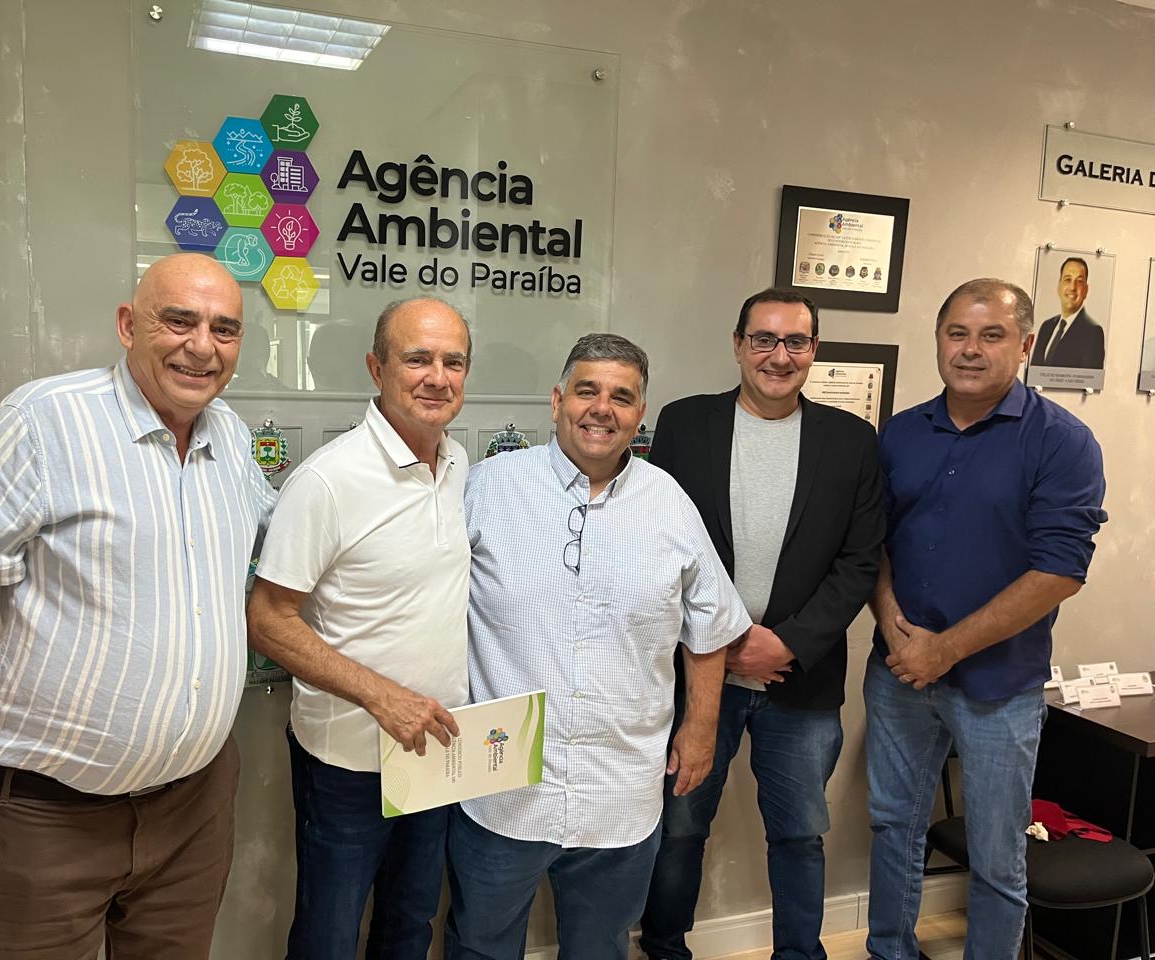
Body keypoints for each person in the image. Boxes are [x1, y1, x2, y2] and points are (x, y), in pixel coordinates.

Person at [0, 252, 277, 959]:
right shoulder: (42, 422)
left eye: (224, 329)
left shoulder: (229, 439)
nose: (202, 346)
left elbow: (282, 547)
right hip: (41, 821)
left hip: (191, 813)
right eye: (179, 321)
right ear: (128, 325)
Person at [444, 333, 752, 960]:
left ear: (640, 414)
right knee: (480, 945)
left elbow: (711, 622)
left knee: (602, 947)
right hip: (501, 785)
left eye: (622, 397)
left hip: (621, 786)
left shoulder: (668, 502)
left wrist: (700, 729)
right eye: (587, 391)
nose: (602, 409)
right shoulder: (488, 487)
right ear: (557, 400)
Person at [865, 278, 1107, 960]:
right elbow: (871, 542)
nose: (970, 350)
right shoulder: (901, 433)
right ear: (939, 340)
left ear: (1025, 345)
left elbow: (1060, 570)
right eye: (957, 334)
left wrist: (943, 650)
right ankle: (888, 951)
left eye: (991, 335)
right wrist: (892, 623)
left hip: (1000, 686)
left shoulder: (1062, 442)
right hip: (898, 674)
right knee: (892, 828)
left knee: (999, 856)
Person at [639, 289, 884, 960]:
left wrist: (790, 643)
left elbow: (860, 560)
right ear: (738, 344)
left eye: (795, 341)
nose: (779, 355)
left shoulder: (852, 441)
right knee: (680, 829)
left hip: (800, 681)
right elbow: (658, 543)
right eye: (764, 339)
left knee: (800, 835)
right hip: (698, 676)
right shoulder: (685, 424)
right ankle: (663, 949)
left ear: (814, 350)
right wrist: (720, 645)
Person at [246, 297, 473, 960]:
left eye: (454, 362)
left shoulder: (458, 465)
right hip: (347, 762)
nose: (437, 377)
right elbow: (267, 619)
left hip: (433, 749)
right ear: (377, 368)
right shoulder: (327, 480)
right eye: (417, 359)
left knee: (409, 924)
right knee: (330, 934)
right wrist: (381, 696)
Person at [1029, 257, 1105, 369]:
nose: (1073, 287)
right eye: (1068, 279)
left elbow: (1090, 378)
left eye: (1079, 281)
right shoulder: (1046, 327)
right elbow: (1034, 372)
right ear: (1059, 286)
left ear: (1086, 290)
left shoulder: (1093, 332)